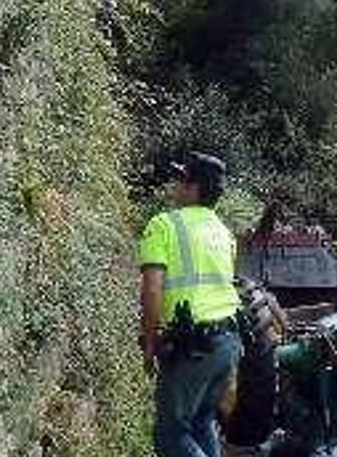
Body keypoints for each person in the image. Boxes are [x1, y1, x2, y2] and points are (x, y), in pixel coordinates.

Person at [138, 151, 242, 457]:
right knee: (201, 421)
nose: (175, 186)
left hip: (192, 345)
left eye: (181, 179)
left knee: (170, 435)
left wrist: (149, 342)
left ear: (193, 187)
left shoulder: (164, 225)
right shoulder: (223, 232)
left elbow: (152, 290)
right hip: (228, 342)